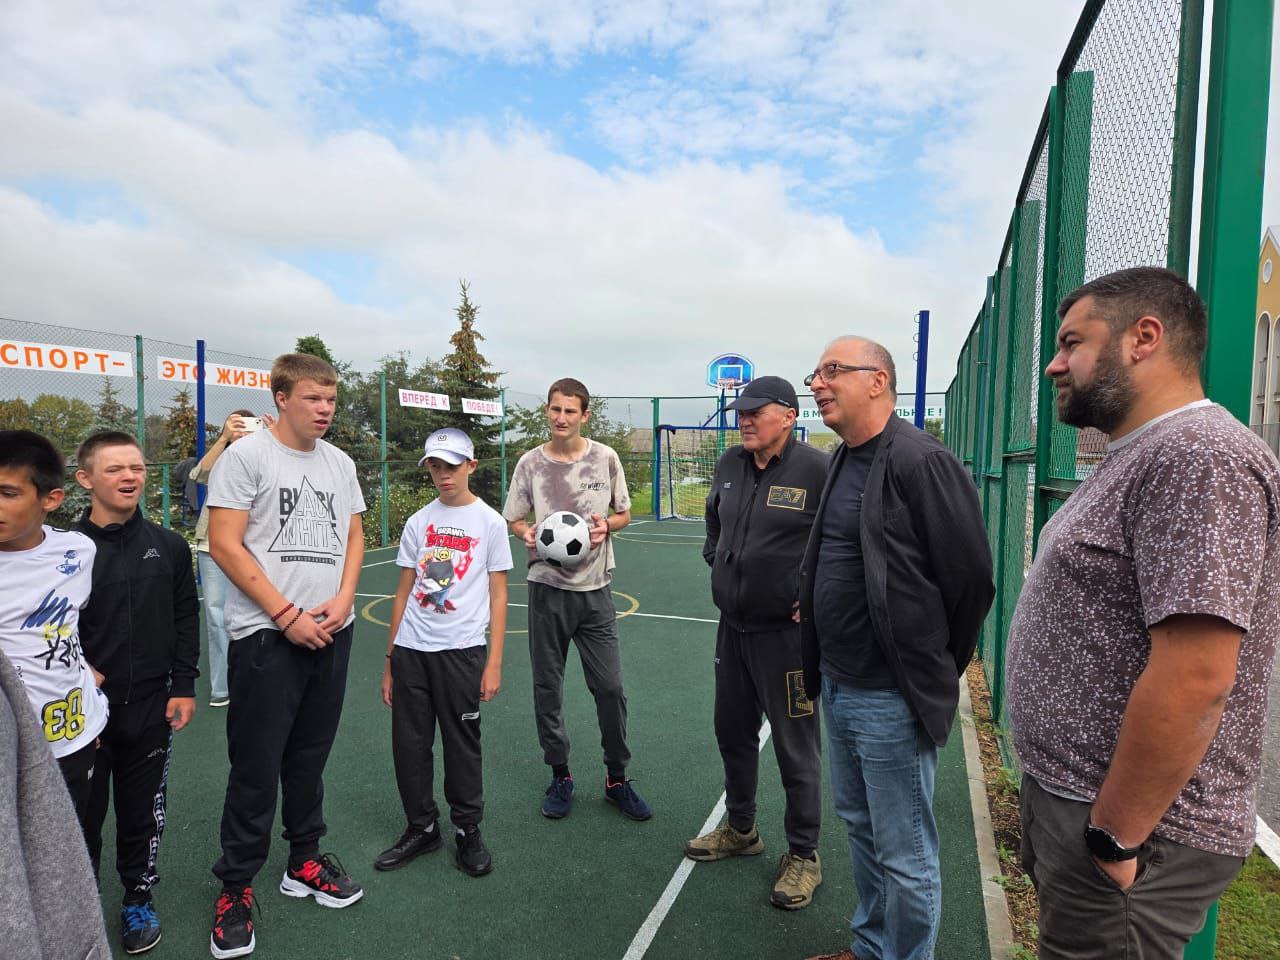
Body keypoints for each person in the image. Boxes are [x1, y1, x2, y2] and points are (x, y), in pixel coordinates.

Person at [1005, 266, 1280, 959]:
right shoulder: (1146, 451)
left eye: (1072, 343)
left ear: (1144, 338)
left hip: (1137, 832)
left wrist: (1113, 836)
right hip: (1083, 804)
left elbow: (1197, 676)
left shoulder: (1199, 455)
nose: (1053, 365)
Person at [798, 338, 994, 960]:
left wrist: (931, 666)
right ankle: (871, 947)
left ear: (878, 380)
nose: (817, 383)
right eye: (816, 373)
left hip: (890, 695)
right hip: (838, 682)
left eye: (832, 371)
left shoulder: (922, 460)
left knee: (904, 852)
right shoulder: (841, 458)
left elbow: (970, 582)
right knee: (861, 829)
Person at [205, 353, 367, 960]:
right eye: (312, 399)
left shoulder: (340, 462)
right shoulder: (248, 457)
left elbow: (354, 533)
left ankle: (303, 860)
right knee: (255, 766)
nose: (325, 410)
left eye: (331, 400)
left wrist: (346, 598)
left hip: (333, 632)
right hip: (267, 635)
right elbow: (224, 542)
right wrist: (285, 615)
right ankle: (235, 886)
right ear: (281, 398)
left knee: (309, 757)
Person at [685, 376, 829, 911]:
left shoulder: (818, 470)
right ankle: (741, 829)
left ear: (788, 416)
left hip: (787, 640)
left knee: (795, 747)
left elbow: (845, 539)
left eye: (755, 412)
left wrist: (813, 594)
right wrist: (719, 563)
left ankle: (804, 854)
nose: (744, 421)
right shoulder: (730, 464)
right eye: (740, 413)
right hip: (733, 629)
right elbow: (714, 524)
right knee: (732, 731)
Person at [73, 431, 200, 955]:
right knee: (81, 819)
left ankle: (137, 899)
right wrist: (79, 671)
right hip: (82, 716)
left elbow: (186, 618)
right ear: (85, 479)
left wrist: (184, 685)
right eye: (114, 469)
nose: (129, 477)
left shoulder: (169, 546)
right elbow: (43, 628)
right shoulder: (65, 552)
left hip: (150, 706)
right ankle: (78, 908)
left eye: (137, 467)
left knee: (142, 813)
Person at [502, 377, 651, 821]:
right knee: (547, 688)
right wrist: (526, 532)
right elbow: (514, 518)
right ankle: (560, 774)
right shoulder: (531, 463)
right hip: (546, 591)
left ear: (584, 415)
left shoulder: (605, 458)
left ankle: (616, 778)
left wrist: (608, 526)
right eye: (555, 409)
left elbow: (623, 513)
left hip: (595, 591)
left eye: (570, 410)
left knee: (610, 688)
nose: (561, 417)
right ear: (547, 411)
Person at [375, 427, 512, 878]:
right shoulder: (419, 522)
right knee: (409, 746)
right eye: (435, 466)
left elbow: (498, 594)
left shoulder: (490, 523)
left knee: (461, 745)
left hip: (461, 652)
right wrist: (390, 661)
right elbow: (403, 593)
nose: (443, 475)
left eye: (451, 466)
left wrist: (493, 663)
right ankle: (422, 827)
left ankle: (467, 829)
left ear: (471, 465)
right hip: (412, 651)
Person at [0, 430, 110, 828]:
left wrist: (85, 685)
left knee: (67, 846)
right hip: (9, 748)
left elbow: (66, 623)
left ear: (51, 499)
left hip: (71, 736)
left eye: (7, 493)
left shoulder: (78, 550)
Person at [0, 644, 112, 960]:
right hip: (21, 735)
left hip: (70, 732)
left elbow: (62, 635)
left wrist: (87, 704)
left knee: (78, 837)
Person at [192, 410, 272, 707]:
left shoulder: (266, 453)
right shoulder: (225, 457)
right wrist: (225, 439)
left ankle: (255, 678)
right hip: (213, 544)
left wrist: (272, 438)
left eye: (250, 425)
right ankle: (222, 687)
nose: (244, 430)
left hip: (256, 545)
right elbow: (199, 475)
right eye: (237, 425)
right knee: (216, 617)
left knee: (261, 613)